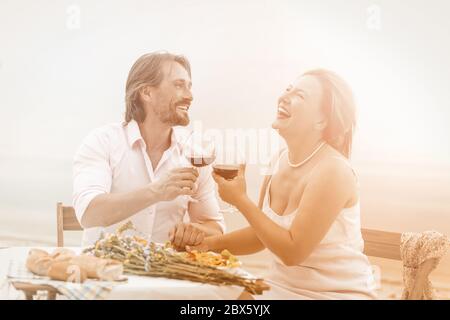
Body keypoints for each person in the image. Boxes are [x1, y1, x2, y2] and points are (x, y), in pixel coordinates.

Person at [188, 69, 377, 299]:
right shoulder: (278, 160)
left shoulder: (334, 170)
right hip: (278, 289)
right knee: (205, 292)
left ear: (322, 121)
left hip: (333, 294)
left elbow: (292, 251)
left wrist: (240, 200)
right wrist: (209, 244)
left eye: (300, 95)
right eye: (288, 89)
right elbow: (260, 235)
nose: (284, 97)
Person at [73, 52, 225, 248]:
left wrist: (194, 231)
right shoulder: (102, 142)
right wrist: (156, 191)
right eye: (178, 85)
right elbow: (89, 214)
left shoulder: (193, 153)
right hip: (104, 271)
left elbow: (215, 228)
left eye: (189, 86)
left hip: (167, 274)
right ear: (146, 93)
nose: (189, 96)